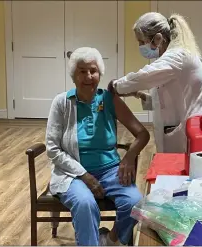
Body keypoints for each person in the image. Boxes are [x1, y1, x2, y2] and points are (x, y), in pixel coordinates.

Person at [46, 47, 150, 246]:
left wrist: (129, 157)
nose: (88, 76)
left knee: (135, 201)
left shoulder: (109, 99)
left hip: (110, 170)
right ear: (73, 76)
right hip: (73, 173)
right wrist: (84, 175)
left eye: (93, 71)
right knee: (85, 203)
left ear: (100, 74)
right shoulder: (61, 102)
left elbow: (142, 133)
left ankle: (111, 240)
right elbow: (52, 148)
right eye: (82, 71)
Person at [108, 12, 202, 153]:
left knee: (188, 170)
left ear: (158, 38)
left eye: (142, 42)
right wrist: (141, 96)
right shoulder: (170, 60)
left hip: (199, 130)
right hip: (186, 128)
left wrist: (116, 86)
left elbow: (143, 77)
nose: (140, 46)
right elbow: (169, 99)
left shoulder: (178, 56)